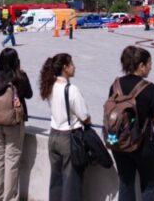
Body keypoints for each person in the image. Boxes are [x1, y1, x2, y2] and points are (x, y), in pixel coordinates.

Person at [109, 46, 154, 201]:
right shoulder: (150, 88)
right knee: (149, 185)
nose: (151, 67)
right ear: (141, 65)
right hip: (143, 144)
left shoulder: (115, 86)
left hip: (118, 142)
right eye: (149, 63)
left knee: (125, 183)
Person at [39, 53, 90, 201]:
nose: (74, 67)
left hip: (53, 135)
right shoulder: (71, 89)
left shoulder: (50, 85)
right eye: (71, 64)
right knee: (71, 181)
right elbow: (84, 115)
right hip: (68, 137)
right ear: (65, 68)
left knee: (56, 180)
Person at [0, 48, 33, 201]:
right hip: (13, 122)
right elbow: (29, 95)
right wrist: (21, 73)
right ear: (16, 61)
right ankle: (9, 198)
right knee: (12, 160)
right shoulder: (19, 77)